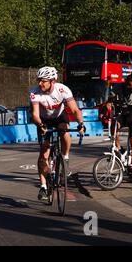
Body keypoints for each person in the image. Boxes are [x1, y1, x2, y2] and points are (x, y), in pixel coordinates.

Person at [30, 66, 85, 202]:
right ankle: (43, 186)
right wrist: (41, 125)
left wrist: (80, 123)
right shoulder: (35, 92)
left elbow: (74, 110)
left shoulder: (62, 90)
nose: (40, 83)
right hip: (44, 121)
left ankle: (65, 157)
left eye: (43, 81)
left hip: (60, 117)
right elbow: (35, 115)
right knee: (44, 155)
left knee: (65, 130)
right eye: (39, 80)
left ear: (52, 81)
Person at [117, 73, 132, 178]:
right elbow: (113, 96)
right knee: (114, 127)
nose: (130, 87)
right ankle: (119, 148)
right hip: (126, 114)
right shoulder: (122, 87)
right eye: (129, 85)